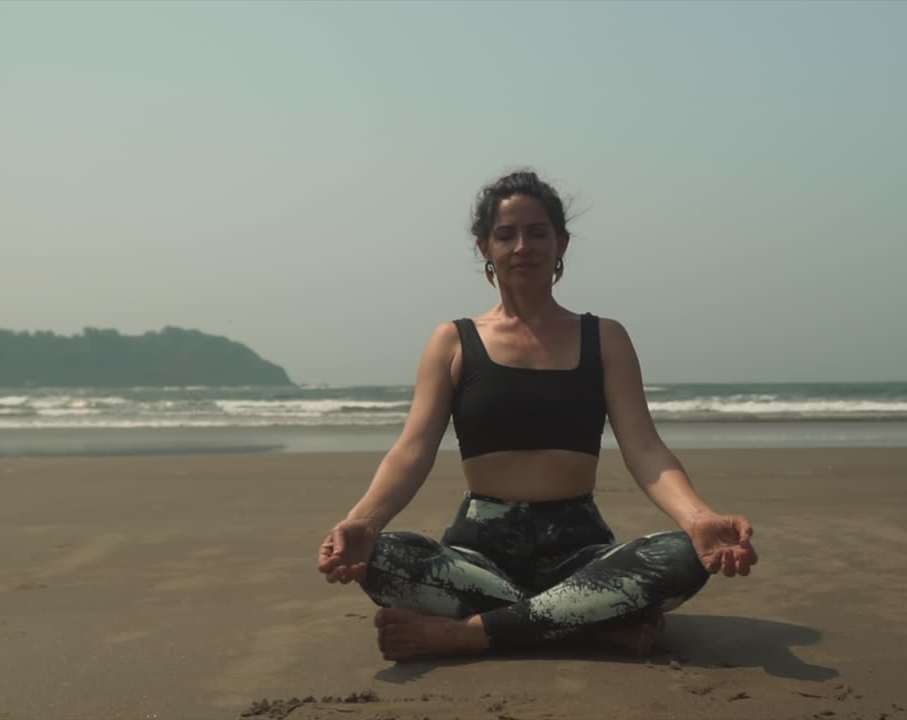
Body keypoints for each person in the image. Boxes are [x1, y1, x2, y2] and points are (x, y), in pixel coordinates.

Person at [316, 170, 758, 662]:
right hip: (476, 559)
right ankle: (588, 626)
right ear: (484, 246)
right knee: (378, 558)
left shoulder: (604, 337)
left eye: (538, 232)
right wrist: (362, 522)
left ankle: (467, 633)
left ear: (561, 242)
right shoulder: (453, 340)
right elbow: (412, 450)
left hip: (582, 555)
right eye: (506, 234)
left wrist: (699, 519)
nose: (522, 245)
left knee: (681, 557)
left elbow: (646, 450)